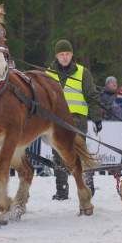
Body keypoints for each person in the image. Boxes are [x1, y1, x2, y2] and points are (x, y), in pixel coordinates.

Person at [46, 39, 102, 200]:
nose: (64, 57)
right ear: (56, 56)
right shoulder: (48, 74)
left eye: (67, 54)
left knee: (79, 153)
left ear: (72, 55)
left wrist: (97, 118)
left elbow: (92, 96)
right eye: (61, 54)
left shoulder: (83, 72)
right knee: (58, 154)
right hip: (55, 121)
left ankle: (88, 186)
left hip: (77, 120)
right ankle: (62, 191)